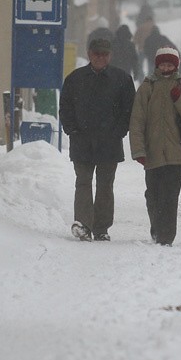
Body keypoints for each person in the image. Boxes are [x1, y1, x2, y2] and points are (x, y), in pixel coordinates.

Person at [59, 38, 136, 242]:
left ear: (110, 55)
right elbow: (65, 107)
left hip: (109, 142)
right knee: (82, 182)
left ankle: (101, 227)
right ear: (89, 54)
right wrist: (72, 130)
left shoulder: (122, 79)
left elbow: (129, 110)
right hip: (81, 141)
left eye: (104, 54)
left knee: (105, 185)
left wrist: (119, 131)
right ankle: (83, 224)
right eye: (96, 54)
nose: (100, 58)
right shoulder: (75, 79)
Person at [129, 47, 181, 246]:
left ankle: (166, 236)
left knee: (170, 197)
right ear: (157, 65)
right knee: (153, 196)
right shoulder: (147, 87)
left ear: (176, 66)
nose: (166, 67)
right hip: (152, 153)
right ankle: (156, 228)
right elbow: (137, 121)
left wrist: (178, 98)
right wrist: (138, 150)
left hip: (176, 153)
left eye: (170, 64)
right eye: (163, 64)